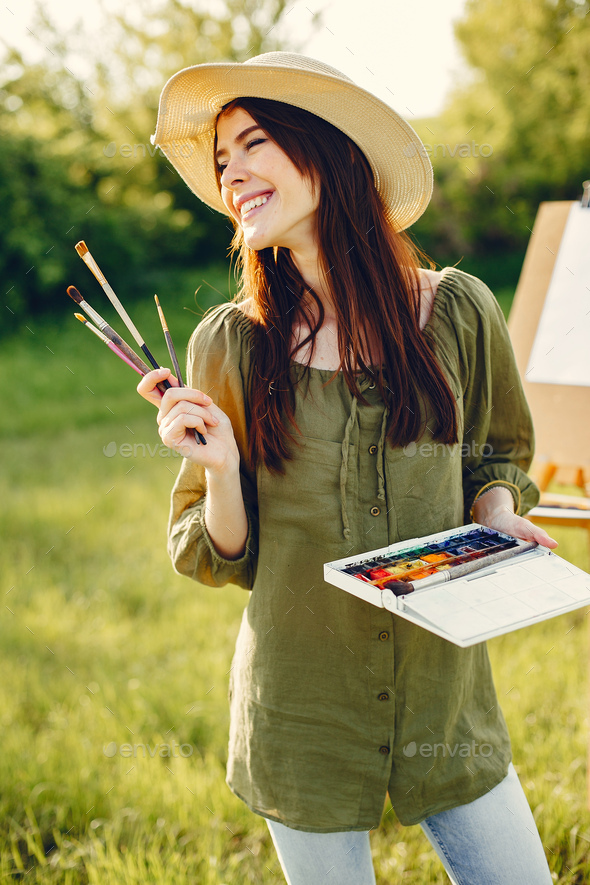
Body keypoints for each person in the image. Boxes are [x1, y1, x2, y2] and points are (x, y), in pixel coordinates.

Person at [138, 52, 557, 885]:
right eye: (222, 161)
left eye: (252, 144)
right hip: (302, 711)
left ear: (324, 151)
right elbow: (217, 552)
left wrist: (499, 514)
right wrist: (221, 468)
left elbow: (495, 452)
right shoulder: (233, 343)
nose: (233, 175)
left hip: (446, 700)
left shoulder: (458, 309)